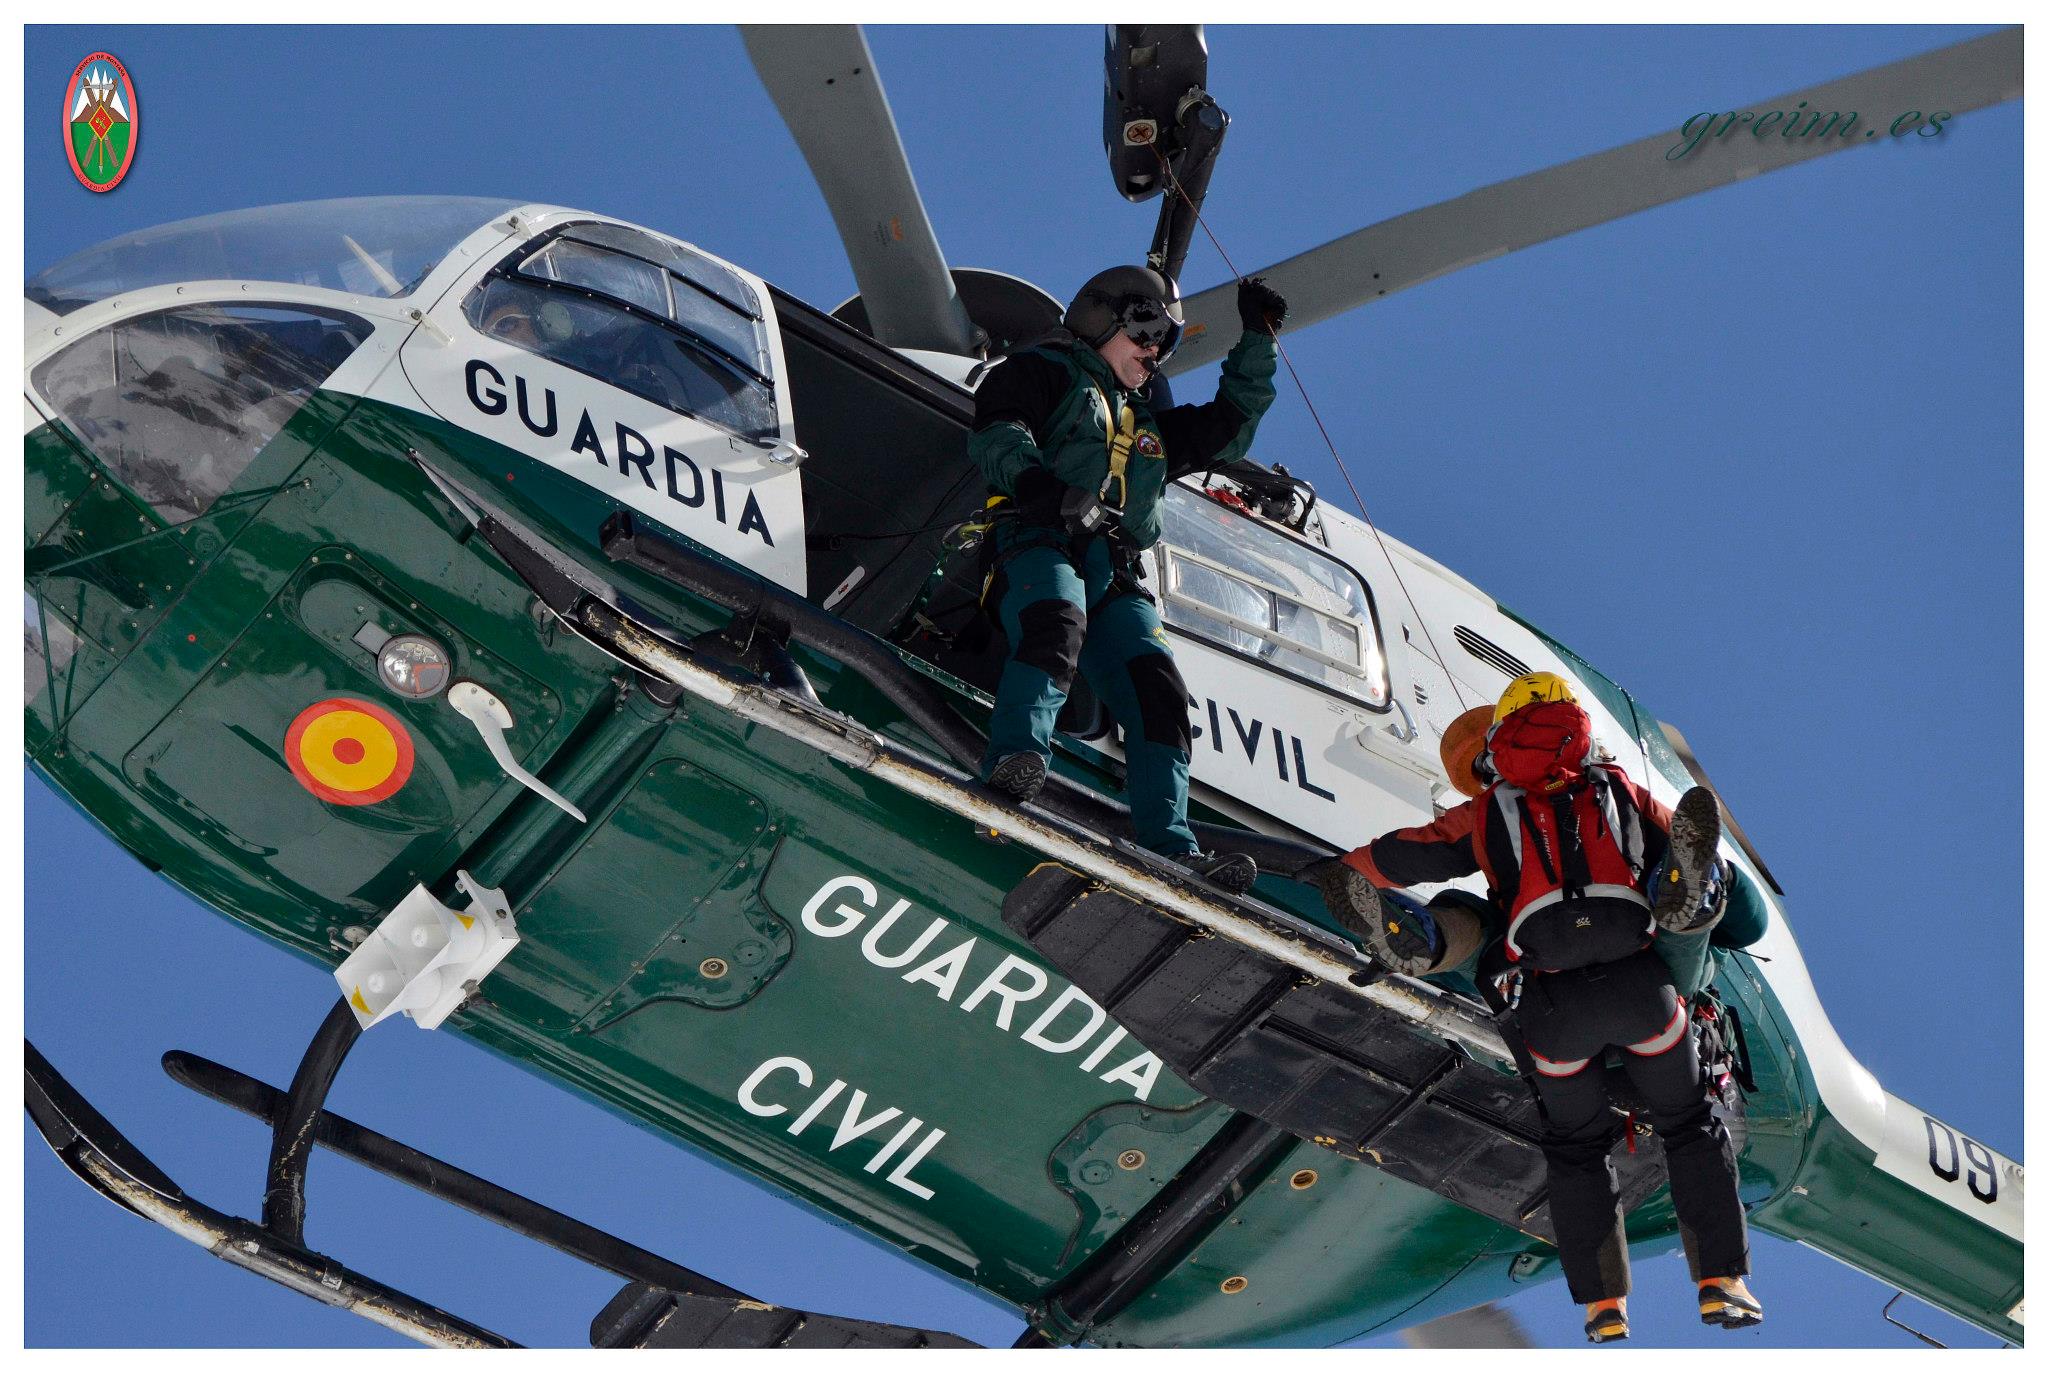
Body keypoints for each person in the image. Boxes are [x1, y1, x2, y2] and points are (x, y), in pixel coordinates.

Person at [1308, 672, 1760, 1342]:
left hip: (1551, 1013)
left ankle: (1604, 1308)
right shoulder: (1619, 788)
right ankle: (1723, 1281)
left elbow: (1407, 853)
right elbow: (1741, 910)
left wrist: (1335, 871)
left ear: (1499, 744)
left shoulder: (1488, 812)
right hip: (1645, 995)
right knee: (1691, 1124)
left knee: (1576, 1149)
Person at [967, 266, 1287, 894]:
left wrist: (1259, 339)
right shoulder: (1042, 372)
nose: (1155, 352)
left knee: (1159, 689)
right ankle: (1014, 760)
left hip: (1114, 567)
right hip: (1039, 537)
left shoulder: (1147, 428)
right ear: (1102, 319)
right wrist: (1045, 489)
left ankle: (1171, 846)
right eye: (1146, 332)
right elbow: (1000, 433)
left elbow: (1231, 423)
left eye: (1167, 343)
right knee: (1055, 626)